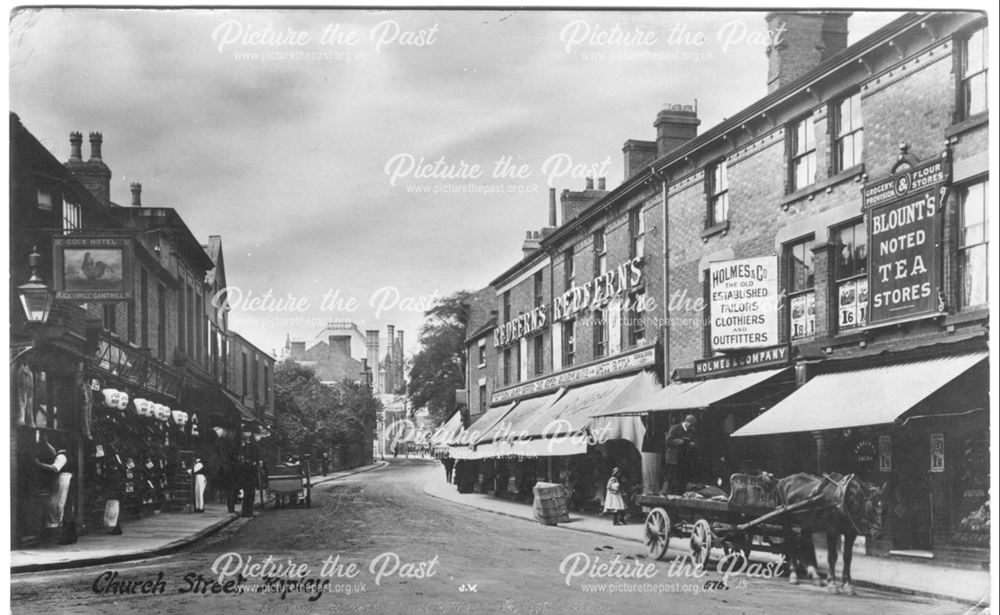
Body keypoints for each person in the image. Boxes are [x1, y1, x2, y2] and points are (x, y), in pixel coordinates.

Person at [35, 436, 76, 543]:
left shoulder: (62, 456)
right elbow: (52, 450)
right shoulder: (66, 453)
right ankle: (69, 536)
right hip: (67, 481)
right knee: (65, 508)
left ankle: (63, 536)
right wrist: (46, 441)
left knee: (57, 506)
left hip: (63, 482)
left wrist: (39, 465)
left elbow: (55, 468)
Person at [665, 414, 698, 495]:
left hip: (684, 460)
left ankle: (679, 493)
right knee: (672, 479)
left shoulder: (690, 431)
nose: (691, 428)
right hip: (674, 459)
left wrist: (692, 444)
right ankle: (670, 494)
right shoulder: (675, 428)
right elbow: (668, 440)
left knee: (682, 479)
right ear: (686, 422)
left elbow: (694, 440)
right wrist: (680, 441)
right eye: (690, 425)